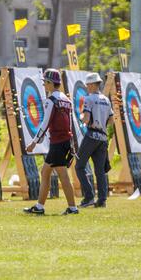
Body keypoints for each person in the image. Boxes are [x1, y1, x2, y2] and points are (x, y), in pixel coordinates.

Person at [23, 69, 79, 216]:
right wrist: (71, 142)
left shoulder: (51, 100)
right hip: (65, 141)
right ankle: (40, 206)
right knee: (47, 172)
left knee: (60, 174)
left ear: (50, 83)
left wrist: (34, 142)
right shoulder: (66, 100)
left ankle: (70, 208)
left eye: (45, 83)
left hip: (58, 142)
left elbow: (45, 123)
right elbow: (70, 124)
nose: (44, 86)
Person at [75, 72, 114, 208]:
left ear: (92, 84)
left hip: (91, 136)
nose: (86, 87)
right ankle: (102, 200)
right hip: (103, 137)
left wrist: (81, 117)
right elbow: (111, 120)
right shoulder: (106, 99)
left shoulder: (88, 99)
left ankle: (89, 197)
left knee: (79, 166)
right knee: (100, 171)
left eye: (87, 84)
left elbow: (85, 119)